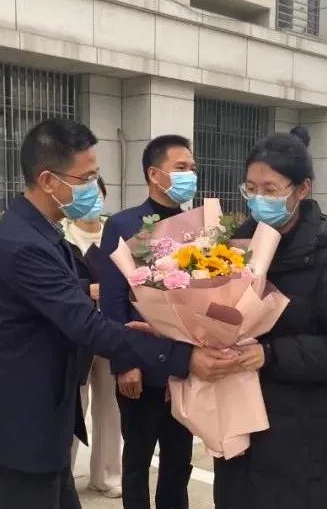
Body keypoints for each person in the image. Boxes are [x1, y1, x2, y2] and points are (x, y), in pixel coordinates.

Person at [0, 119, 239, 509]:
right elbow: (87, 323)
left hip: (44, 416)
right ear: (48, 181)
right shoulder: (24, 243)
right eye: (87, 177)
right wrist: (181, 356)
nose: (94, 188)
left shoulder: (40, 229)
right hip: (24, 420)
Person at [213, 133, 327, 509]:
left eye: (270, 189)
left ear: (302, 189)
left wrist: (271, 355)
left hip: (298, 440)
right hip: (237, 429)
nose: (258, 198)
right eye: (251, 188)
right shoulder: (237, 246)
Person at [100, 135, 204, 509]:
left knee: (179, 459)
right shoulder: (123, 225)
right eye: (181, 168)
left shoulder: (199, 227)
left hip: (185, 364)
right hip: (140, 366)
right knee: (138, 459)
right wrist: (124, 363)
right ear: (154, 174)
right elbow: (113, 301)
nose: (190, 175)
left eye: (192, 168)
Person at [63, 177, 122, 499]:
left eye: (96, 194)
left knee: (111, 407)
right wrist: (88, 290)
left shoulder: (116, 233)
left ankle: (107, 475)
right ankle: (63, 475)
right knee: (74, 405)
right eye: (84, 194)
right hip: (76, 334)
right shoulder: (61, 236)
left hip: (111, 331)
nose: (92, 200)